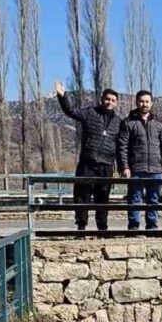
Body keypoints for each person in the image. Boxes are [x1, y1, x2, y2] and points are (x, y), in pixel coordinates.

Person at [55, 81, 121, 232]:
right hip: (88, 161)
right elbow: (71, 111)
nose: (109, 102)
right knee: (81, 194)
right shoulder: (90, 112)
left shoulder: (118, 122)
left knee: (103, 197)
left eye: (113, 100)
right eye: (107, 99)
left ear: (116, 103)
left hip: (106, 164)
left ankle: (102, 228)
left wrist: (122, 166)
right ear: (101, 99)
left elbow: (121, 146)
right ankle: (81, 226)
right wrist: (63, 96)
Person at [117, 90, 162, 231]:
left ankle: (152, 227)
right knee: (135, 200)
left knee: (153, 200)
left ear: (151, 103)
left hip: (156, 169)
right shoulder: (128, 122)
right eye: (141, 101)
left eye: (147, 101)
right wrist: (125, 167)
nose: (144, 104)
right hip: (136, 169)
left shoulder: (158, 123)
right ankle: (133, 228)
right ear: (137, 102)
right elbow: (122, 146)